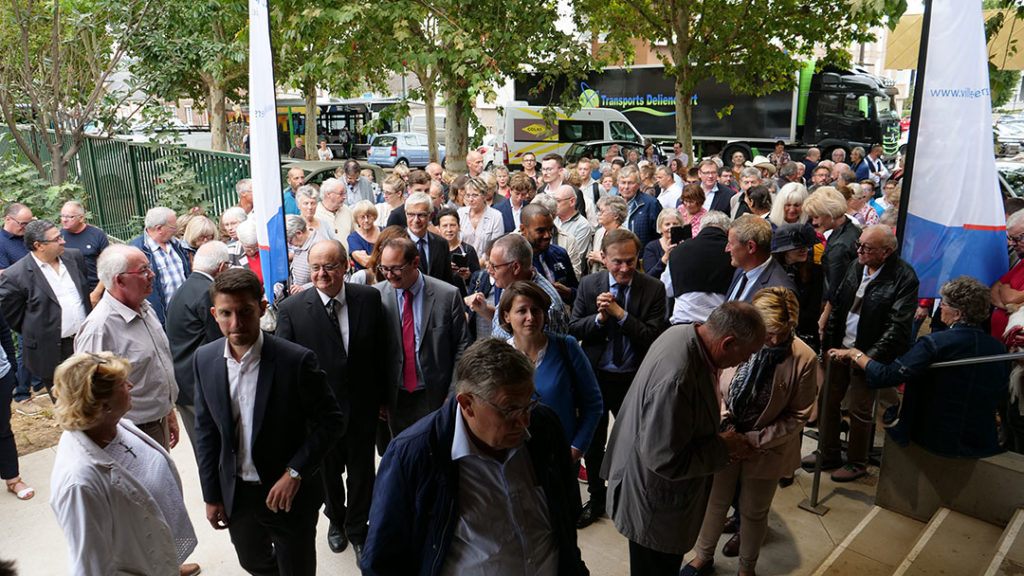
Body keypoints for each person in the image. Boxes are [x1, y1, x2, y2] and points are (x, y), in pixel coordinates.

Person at [362, 338, 589, 575]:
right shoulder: (413, 456)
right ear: (467, 404)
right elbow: (382, 563)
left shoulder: (545, 426)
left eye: (530, 402)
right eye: (510, 409)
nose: (525, 421)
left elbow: (567, 512)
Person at [193, 268, 343, 575]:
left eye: (245, 311)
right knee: (254, 563)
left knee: (296, 569)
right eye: (226, 313)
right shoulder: (204, 360)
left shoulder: (296, 360)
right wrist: (211, 495)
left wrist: (295, 472)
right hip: (238, 496)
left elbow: (331, 422)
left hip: (288, 495)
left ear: (262, 308)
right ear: (214, 313)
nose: (236, 324)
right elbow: (206, 432)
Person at [602, 302, 766, 574]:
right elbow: (665, 459)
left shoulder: (684, 333)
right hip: (655, 507)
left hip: (648, 492)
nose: (746, 361)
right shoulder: (678, 377)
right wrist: (724, 446)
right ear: (727, 342)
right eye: (747, 353)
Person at [682, 288, 817, 576]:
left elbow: (799, 415)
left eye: (783, 331)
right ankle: (702, 557)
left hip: (767, 446)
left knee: (754, 511)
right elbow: (715, 383)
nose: (775, 340)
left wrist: (752, 441)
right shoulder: (737, 342)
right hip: (726, 438)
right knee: (715, 501)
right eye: (769, 332)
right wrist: (725, 424)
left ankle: (746, 568)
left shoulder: (804, 358)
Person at [276, 240, 386, 564]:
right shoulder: (292, 310)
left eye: (330, 266)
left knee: (363, 473)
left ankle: (357, 527)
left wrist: (381, 398)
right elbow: (285, 367)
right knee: (327, 474)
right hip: (319, 415)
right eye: (315, 268)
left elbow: (381, 351)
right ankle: (335, 520)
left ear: (345, 267)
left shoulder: (369, 298)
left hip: (362, 407)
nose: (322, 274)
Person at [50, 352, 199, 576]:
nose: (130, 385)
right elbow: (90, 564)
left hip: (155, 557)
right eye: (121, 384)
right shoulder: (79, 484)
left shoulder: (114, 426)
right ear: (101, 403)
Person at [832, 276, 1008, 459]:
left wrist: (855, 354)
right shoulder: (998, 347)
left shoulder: (935, 343)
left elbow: (887, 376)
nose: (939, 307)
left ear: (958, 314)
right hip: (980, 441)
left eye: (944, 304)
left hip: (934, 439)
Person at [570, 228, 668, 528]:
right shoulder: (589, 285)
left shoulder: (652, 289)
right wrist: (599, 319)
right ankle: (598, 499)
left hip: (634, 380)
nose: (624, 268)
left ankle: (631, 495)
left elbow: (653, 337)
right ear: (603, 258)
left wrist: (620, 314)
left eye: (630, 261)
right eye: (617, 262)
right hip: (596, 378)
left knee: (637, 442)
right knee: (594, 442)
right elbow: (574, 329)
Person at [813, 224, 919, 482]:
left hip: (867, 354)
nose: (859, 251)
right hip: (841, 347)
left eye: (867, 248)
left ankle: (857, 461)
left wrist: (864, 358)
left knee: (861, 410)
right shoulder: (857, 265)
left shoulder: (904, 277)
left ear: (887, 252)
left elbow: (896, 326)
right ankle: (828, 452)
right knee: (827, 400)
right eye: (859, 245)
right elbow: (839, 303)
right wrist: (829, 345)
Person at [74, 245, 180, 450]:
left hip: (157, 422)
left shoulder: (145, 308)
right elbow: (88, 396)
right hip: (128, 435)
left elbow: (154, 370)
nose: (152, 274)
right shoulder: (99, 328)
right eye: (143, 271)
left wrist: (167, 411)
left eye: (149, 268)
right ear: (119, 280)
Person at [374, 236, 469, 437]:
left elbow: (463, 347)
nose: (389, 275)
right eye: (384, 268)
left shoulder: (447, 295)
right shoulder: (376, 296)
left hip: (435, 395)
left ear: (415, 262)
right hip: (395, 397)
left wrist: (453, 394)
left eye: (395, 269)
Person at [499, 281, 603, 464]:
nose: (530, 317)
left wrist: (575, 450)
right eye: (522, 311)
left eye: (536, 310)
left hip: (560, 459)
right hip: (514, 461)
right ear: (506, 316)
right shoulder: (499, 356)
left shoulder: (566, 347)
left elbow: (593, 404)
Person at [0, 220, 91, 400]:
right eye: (57, 239)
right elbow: (13, 316)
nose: (63, 241)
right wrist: (41, 331)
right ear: (39, 245)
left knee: (94, 396)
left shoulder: (75, 258)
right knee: (66, 403)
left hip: (85, 341)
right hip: (52, 351)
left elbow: (83, 294)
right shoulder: (16, 276)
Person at [165, 241, 230, 450]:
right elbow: (219, 341)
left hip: (184, 383)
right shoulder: (207, 292)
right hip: (201, 386)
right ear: (221, 268)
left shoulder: (184, 289)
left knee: (203, 450)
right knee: (217, 450)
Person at [465, 233, 570, 340]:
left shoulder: (545, 307)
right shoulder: (512, 282)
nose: (489, 271)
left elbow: (536, 353)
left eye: (494, 266)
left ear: (515, 267)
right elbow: (507, 324)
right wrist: (484, 309)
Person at [662, 211, 735, 325]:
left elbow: (667, 289)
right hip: (719, 323)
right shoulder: (734, 252)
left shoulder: (678, 251)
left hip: (684, 320)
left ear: (701, 228)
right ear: (727, 231)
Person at [128, 207, 192, 324]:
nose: (176, 230)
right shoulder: (136, 251)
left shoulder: (176, 244)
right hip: (161, 318)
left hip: (186, 313)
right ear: (159, 229)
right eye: (173, 227)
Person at [772, 223, 825, 350]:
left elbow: (813, 311)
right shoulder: (771, 270)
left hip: (804, 338)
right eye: (797, 246)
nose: (804, 250)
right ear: (783, 249)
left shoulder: (815, 271)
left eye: (805, 245)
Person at [803, 187, 860, 303]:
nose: (814, 222)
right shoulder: (852, 229)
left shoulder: (839, 247)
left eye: (816, 217)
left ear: (830, 213)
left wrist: (824, 319)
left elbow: (835, 292)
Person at [724, 215, 797, 302]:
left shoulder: (779, 293)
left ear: (751, 247)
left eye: (731, 244)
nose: (726, 249)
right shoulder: (742, 269)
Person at [521, 203, 579, 305]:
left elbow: (577, 292)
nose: (548, 235)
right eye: (540, 231)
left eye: (550, 229)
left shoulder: (560, 254)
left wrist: (569, 293)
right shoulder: (515, 262)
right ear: (523, 230)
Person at [0, 319, 31, 500]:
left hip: (1, 375)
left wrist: (12, 368)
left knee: (2, 429)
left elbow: (4, 331)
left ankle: (13, 478)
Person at [59, 200, 109, 293]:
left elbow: (109, 266)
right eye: (62, 216)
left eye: (69, 217)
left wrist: (97, 293)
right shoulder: (59, 237)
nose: (64, 220)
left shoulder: (97, 235)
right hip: (71, 291)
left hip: (96, 288)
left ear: (81, 218)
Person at [457, 177, 504, 258]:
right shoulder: (460, 213)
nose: (471, 199)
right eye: (468, 195)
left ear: (484, 196)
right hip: (463, 265)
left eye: (475, 195)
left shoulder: (496, 216)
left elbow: (496, 246)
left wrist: (480, 262)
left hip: (485, 266)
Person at [437, 208, 479, 288]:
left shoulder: (468, 250)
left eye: (452, 225)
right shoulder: (434, 250)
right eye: (445, 226)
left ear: (459, 227)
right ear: (439, 228)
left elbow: (479, 278)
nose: (449, 230)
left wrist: (468, 276)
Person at [588, 195, 628, 275]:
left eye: (602, 211)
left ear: (616, 215)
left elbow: (624, 264)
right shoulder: (599, 232)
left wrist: (602, 259)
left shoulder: (625, 236)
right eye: (599, 211)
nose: (599, 214)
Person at [643, 207, 683, 280]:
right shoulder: (651, 247)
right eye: (667, 224)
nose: (671, 227)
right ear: (660, 227)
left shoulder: (687, 244)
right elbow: (649, 277)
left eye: (675, 224)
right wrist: (665, 258)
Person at [285, 214, 323, 289]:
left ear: (299, 233)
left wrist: (303, 288)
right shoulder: (301, 243)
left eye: (290, 241)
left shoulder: (319, 247)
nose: (290, 245)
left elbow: (324, 279)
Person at [316, 178, 355, 249]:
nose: (344, 197)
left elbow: (355, 235)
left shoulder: (347, 211)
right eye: (341, 194)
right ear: (328, 194)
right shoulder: (315, 214)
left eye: (344, 193)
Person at [348, 200, 380, 272]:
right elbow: (366, 263)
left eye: (369, 216)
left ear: (374, 216)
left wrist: (371, 257)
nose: (366, 220)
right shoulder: (353, 238)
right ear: (356, 219)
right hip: (364, 280)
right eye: (362, 217)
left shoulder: (384, 232)